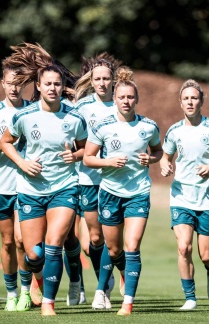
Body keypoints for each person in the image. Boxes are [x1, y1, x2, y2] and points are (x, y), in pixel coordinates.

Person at [0, 42, 87, 316]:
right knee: (32, 252)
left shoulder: (74, 117)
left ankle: (48, 302)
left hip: (64, 189)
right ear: (38, 86)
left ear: (63, 87)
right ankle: (33, 279)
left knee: (54, 244)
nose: (52, 88)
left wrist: (76, 155)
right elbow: (5, 143)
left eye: (57, 84)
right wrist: (22, 162)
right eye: (47, 83)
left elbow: (86, 148)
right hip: (31, 190)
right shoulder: (24, 116)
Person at [84, 66, 163, 316]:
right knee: (114, 249)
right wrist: (108, 162)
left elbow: (158, 152)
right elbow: (87, 158)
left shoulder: (148, 126)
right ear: (115, 99)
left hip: (138, 193)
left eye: (130, 97)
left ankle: (127, 302)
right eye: (121, 97)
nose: (126, 101)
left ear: (136, 99)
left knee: (132, 245)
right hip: (109, 192)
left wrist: (150, 160)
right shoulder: (103, 126)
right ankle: (106, 285)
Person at [160, 79, 209, 310]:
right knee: (184, 247)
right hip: (182, 197)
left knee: (205, 255)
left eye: (194, 98)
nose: (190, 102)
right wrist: (165, 165)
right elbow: (165, 156)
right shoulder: (174, 131)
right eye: (186, 98)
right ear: (180, 102)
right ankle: (190, 297)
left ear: (201, 101)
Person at [0, 55, 40, 312]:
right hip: (0, 187)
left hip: (26, 187)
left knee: (20, 240)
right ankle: (11, 292)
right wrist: (3, 147)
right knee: (6, 242)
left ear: (24, 85)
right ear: (2, 84)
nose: (14, 87)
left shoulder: (33, 111)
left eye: (19, 83)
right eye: (9, 82)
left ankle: (26, 291)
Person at [73, 52, 123, 308]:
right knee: (93, 240)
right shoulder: (81, 108)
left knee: (110, 238)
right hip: (88, 179)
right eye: (98, 79)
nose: (102, 83)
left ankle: (101, 289)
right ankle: (106, 277)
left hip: (115, 182)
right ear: (91, 81)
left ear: (113, 80)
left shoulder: (123, 104)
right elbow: (74, 139)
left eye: (106, 78)